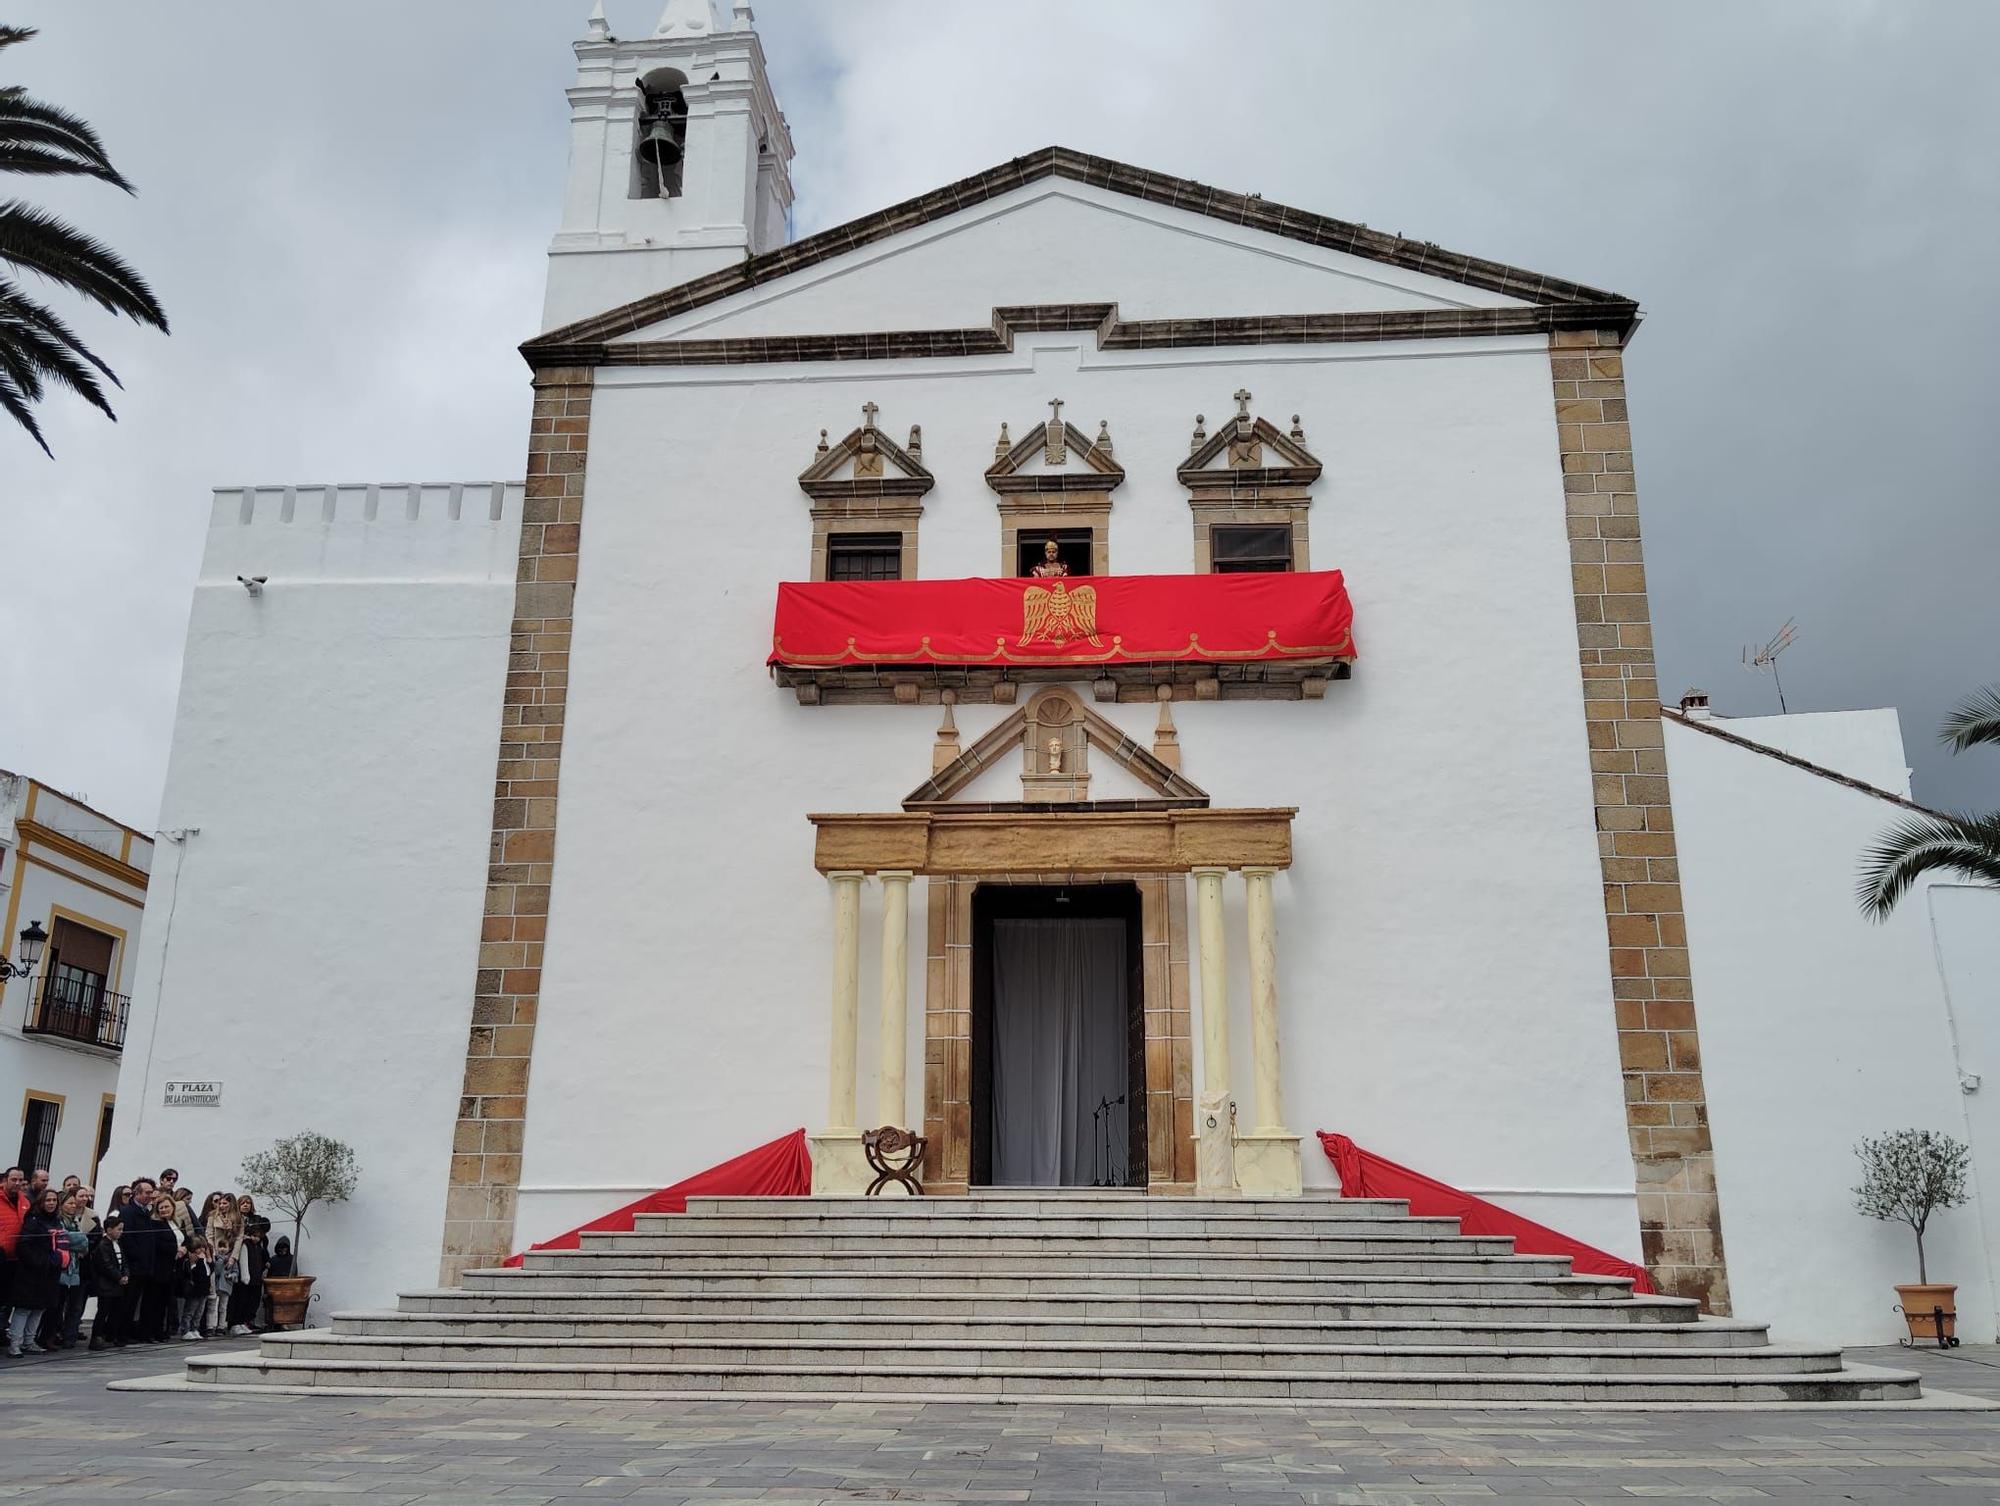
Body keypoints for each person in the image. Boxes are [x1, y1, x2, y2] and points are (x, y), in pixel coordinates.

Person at [7, 1187, 62, 1356]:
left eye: (54, 1200)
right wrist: (40, 1261)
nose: (51, 1203)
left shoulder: (56, 1221)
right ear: (41, 1202)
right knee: (24, 1308)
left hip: (49, 1272)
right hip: (31, 1272)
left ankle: (29, 1341)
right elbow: (23, 1245)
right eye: (48, 1200)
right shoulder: (33, 1220)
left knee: (39, 1308)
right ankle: (15, 1343)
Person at [117, 1179, 171, 1342]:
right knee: (127, 1301)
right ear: (137, 1193)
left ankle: (130, 1332)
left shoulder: (147, 1212)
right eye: (147, 1193)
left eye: (151, 1192)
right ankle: (121, 1334)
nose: (150, 1196)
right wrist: (138, 1257)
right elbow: (127, 1239)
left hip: (145, 1266)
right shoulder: (128, 1212)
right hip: (134, 1265)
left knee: (135, 1303)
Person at [51, 1191, 88, 1349]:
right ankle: (53, 1334)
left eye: (74, 1203)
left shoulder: (76, 1221)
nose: (73, 1206)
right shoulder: (58, 1221)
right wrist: (78, 1238)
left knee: (75, 1305)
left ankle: (69, 1336)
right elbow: (64, 1240)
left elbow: (84, 1243)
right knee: (58, 1305)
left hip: (75, 1269)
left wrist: (78, 1239)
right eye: (70, 1203)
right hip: (63, 1267)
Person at [227, 1194, 269, 1335]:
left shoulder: (256, 1220)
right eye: (243, 1203)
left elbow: (263, 1233)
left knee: (253, 1293)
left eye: (248, 1203)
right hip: (240, 1259)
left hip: (254, 1259)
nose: (246, 1205)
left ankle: (246, 1320)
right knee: (240, 1293)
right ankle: (235, 1322)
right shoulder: (234, 1219)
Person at [86, 1212, 128, 1350]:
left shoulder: (118, 1244)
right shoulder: (103, 1245)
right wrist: (118, 1277)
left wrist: (126, 1274)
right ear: (109, 1230)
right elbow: (106, 1265)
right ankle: (96, 1337)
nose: (121, 1232)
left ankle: (111, 1335)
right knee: (103, 1311)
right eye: (119, 1229)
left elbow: (124, 1261)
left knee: (116, 1311)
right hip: (106, 1285)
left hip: (117, 1285)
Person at [199, 1192, 238, 1335]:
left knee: (224, 1299)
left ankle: (222, 1326)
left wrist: (233, 1257)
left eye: (224, 1203)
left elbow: (238, 1239)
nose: (221, 1206)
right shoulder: (212, 1217)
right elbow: (209, 1235)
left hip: (228, 1258)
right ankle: (210, 1326)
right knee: (212, 1296)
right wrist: (212, 1252)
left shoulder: (236, 1219)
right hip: (215, 1257)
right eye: (219, 1203)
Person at [175, 1239, 213, 1341]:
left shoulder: (204, 1259)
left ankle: (194, 1329)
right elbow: (197, 1273)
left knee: (199, 1312)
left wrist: (209, 1258)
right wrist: (200, 1260)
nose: (202, 1250)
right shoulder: (191, 1260)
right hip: (195, 1290)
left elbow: (210, 1271)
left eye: (203, 1248)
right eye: (198, 1248)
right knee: (190, 1311)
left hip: (204, 1290)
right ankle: (185, 1330)